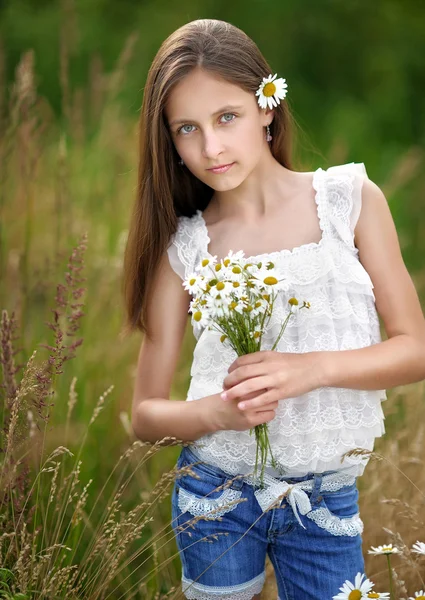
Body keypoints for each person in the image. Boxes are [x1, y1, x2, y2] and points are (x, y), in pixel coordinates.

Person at [123, 18, 425, 600]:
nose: (210, 147)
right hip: (215, 494)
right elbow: (145, 415)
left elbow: (414, 348)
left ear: (267, 104)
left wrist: (311, 369)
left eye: (226, 117)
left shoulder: (349, 201)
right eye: (187, 129)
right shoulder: (186, 246)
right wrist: (220, 412)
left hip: (325, 498)